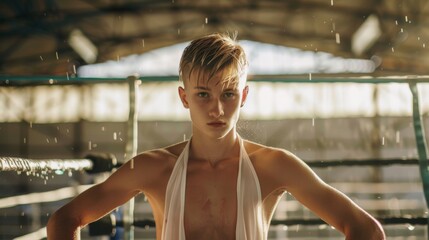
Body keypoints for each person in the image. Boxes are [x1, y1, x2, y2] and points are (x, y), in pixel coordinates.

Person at [47, 33, 386, 240]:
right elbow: (64, 221)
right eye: (203, 95)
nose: (217, 110)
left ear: (245, 96)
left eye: (228, 95)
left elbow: (367, 231)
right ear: (184, 98)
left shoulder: (275, 166)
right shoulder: (153, 168)